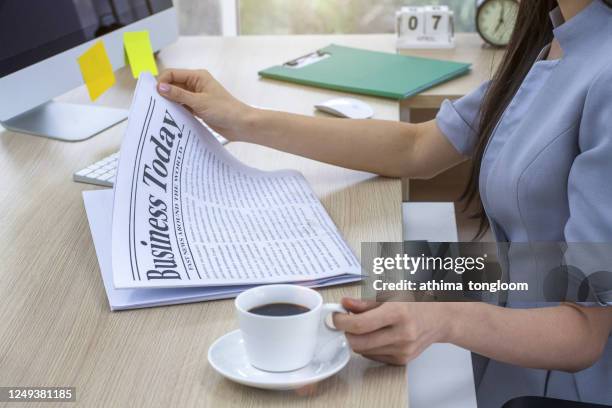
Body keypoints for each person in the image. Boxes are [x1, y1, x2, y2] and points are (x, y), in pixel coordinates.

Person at [157, 0, 612, 406]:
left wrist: (441, 318)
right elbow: (416, 148)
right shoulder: (555, 36)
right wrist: (242, 119)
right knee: (337, 276)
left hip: (554, 371)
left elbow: (584, 333)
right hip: (507, 299)